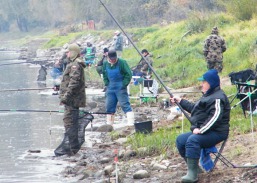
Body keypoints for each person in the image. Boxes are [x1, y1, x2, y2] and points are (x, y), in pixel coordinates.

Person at [170, 69, 230, 182]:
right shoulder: (207, 96)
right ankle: (195, 170)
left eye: (204, 82)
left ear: (211, 83)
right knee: (180, 140)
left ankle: (192, 176)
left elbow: (215, 118)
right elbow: (196, 110)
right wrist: (181, 101)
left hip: (217, 132)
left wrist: (201, 130)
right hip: (206, 131)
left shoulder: (218, 98)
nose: (201, 84)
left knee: (193, 140)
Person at [54, 43, 86, 156]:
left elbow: (74, 83)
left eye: (68, 51)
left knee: (70, 123)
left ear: (73, 52)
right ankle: (72, 147)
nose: (67, 53)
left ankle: (72, 148)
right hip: (71, 100)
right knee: (70, 122)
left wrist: (65, 97)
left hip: (72, 100)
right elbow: (69, 81)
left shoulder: (75, 65)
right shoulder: (73, 64)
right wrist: (59, 88)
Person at [102, 49, 134, 126]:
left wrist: (124, 84)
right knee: (109, 106)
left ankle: (130, 123)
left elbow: (128, 74)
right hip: (110, 88)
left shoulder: (122, 62)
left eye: (114, 59)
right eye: (111, 59)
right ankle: (109, 125)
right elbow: (104, 74)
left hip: (120, 87)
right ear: (108, 58)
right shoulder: (105, 64)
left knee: (125, 104)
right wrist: (106, 83)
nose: (113, 60)